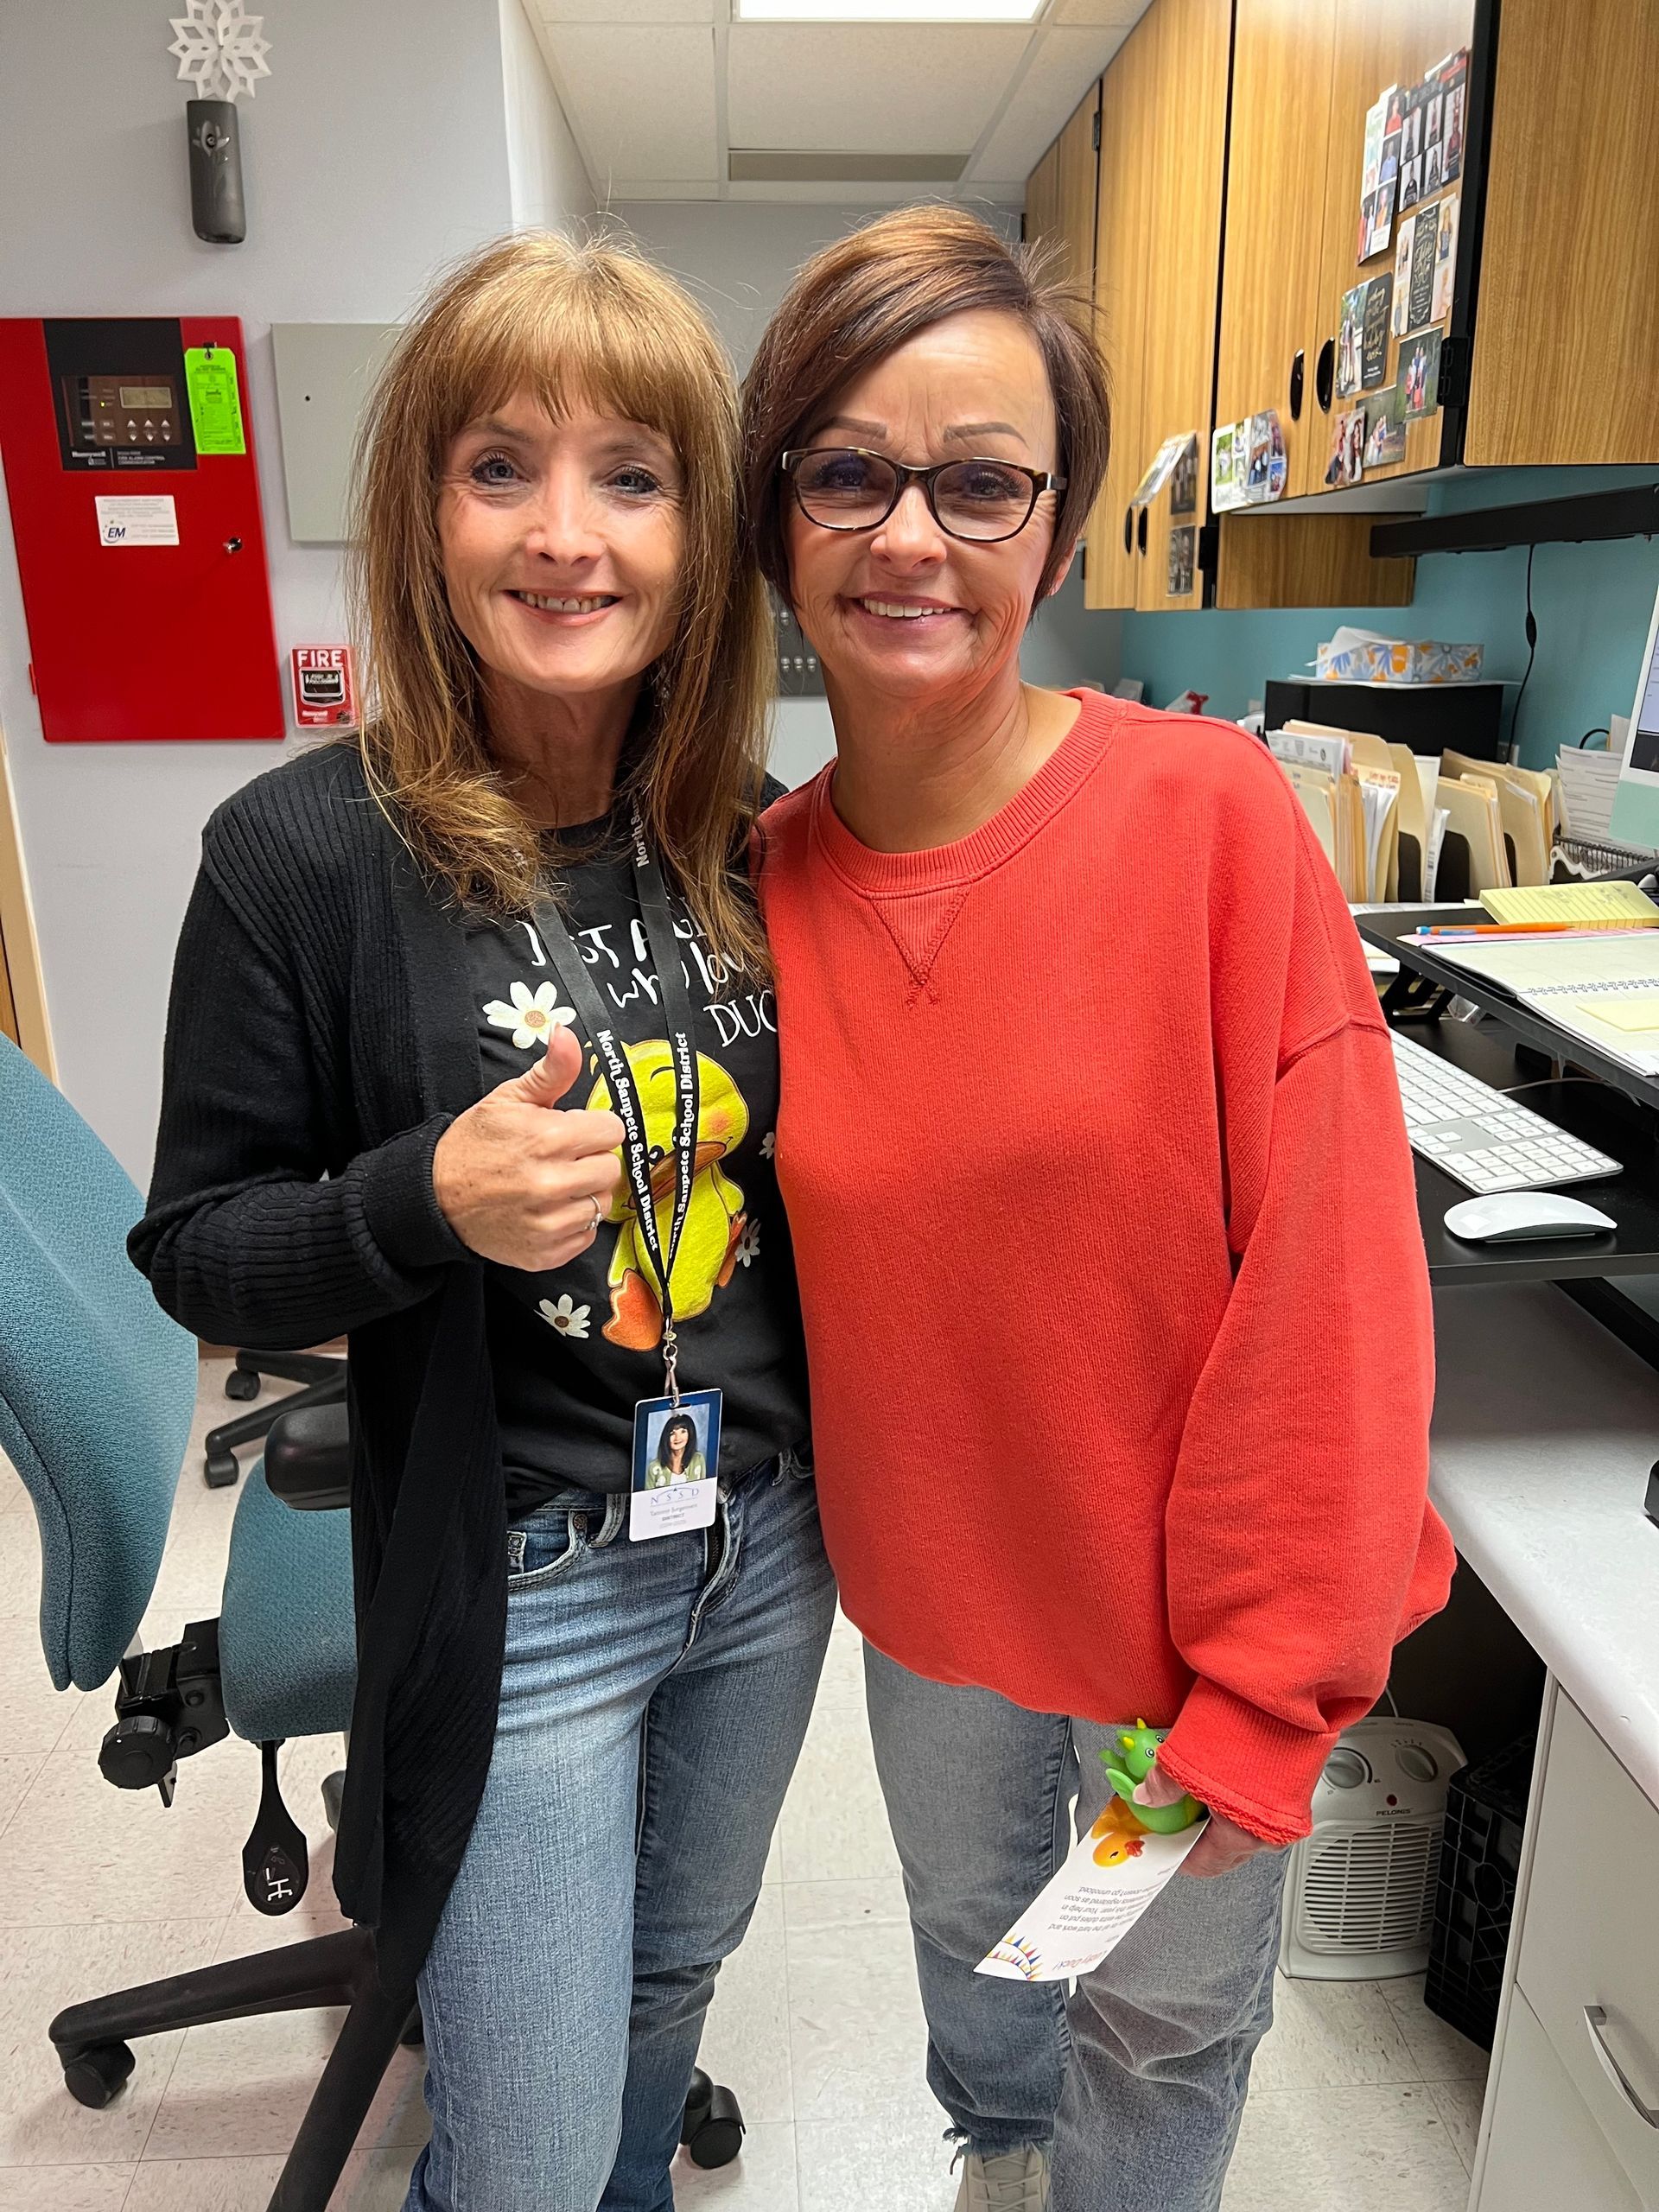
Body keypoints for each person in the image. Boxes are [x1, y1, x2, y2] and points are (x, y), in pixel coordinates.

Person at [742, 205, 1454, 2212]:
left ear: (1055, 534)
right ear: (779, 514)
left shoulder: (1211, 828)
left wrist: (1266, 1688)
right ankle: (1002, 2153)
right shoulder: (763, 885)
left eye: (979, 483)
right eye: (851, 473)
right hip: (937, 1621)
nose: (910, 537)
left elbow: (1330, 1295)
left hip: (1172, 1651)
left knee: (1149, 2015)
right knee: (987, 1953)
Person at [131, 231, 834, 2212]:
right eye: (498, 465)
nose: (565, 535)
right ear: (422, 511)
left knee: (667, 1988)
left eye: (631, 472)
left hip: (764, 1542)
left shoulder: (753, 838)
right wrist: (414, 1197)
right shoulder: (297, 855)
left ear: (699, 532)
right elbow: (196, 1241)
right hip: (526, 1576)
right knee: (516, 2156)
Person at [647, 1412, 707, 1486]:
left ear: (690, 1434)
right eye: (672, 1433)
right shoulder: (654, 1467)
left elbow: (704, 1490)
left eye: (683, 1432)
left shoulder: (698, 1459)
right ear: (666, 1438)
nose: (678, 1438)